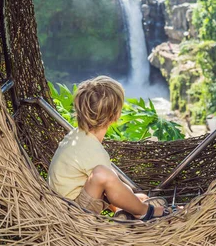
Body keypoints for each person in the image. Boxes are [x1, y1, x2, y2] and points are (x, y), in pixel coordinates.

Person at [48, 76, 169, 221]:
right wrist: (133, 201)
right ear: (115, 115)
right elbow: (107, 182)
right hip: (72, 214)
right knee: (102, 174)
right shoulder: (93, 150)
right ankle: (144, 211)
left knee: (113, 179)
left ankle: (126, 209)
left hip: (64, 204)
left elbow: (109, 186)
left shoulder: (77, 136)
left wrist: (131, 197)